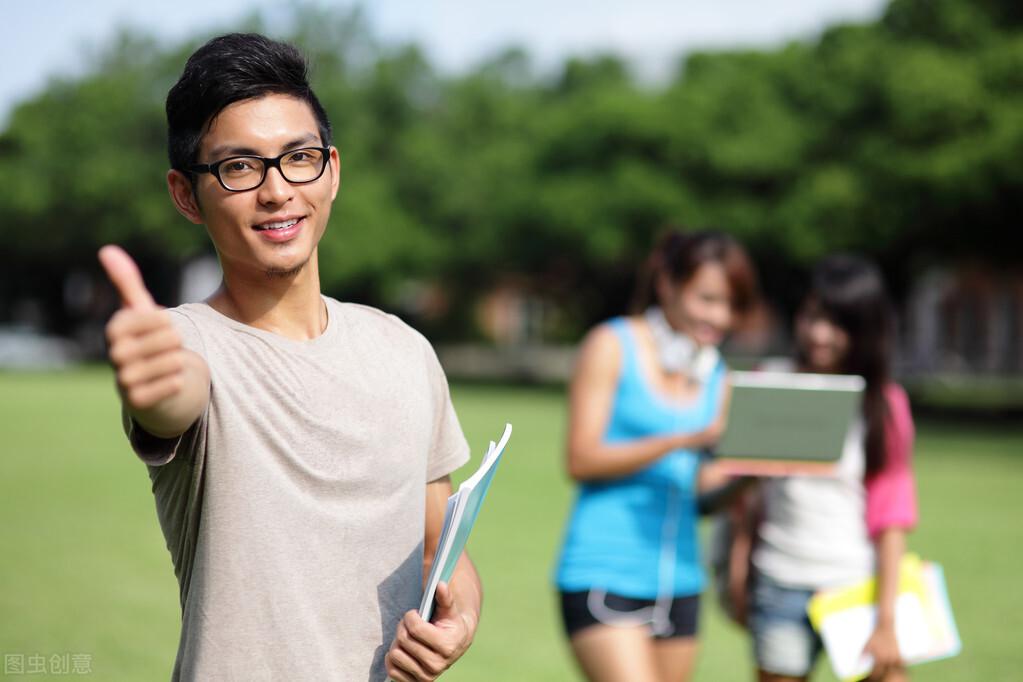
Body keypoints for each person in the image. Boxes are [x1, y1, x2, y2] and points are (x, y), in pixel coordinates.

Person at [99, 33, 480, 681]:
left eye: (297, 158)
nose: (276, 191)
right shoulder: (186, 344)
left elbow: (438, 550)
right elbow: (173, 398)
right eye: (239, 167)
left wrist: (459, 619)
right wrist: (154, 383)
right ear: (186, 194)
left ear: (331, 169)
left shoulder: (404, 349)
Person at [553, 230, 758, 682]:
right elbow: (580, 459)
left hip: (682, 582)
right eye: (707, 298)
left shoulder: (715, 373)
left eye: (731, 305)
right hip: (604, 572)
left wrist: (754, 473)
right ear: (667, 284)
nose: (719, 317)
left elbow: (705, 494)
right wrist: (682, 438)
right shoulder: (611, 344)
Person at [735, 254, 918, 682]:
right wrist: (738, 570)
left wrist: (886, 618)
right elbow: (745, 495)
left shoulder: (884, 405)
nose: (819, 334)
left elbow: (891, 517)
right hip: (780, 580)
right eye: (812, 317)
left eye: (837, 323)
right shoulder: (769, 383)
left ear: (864, 329)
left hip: (859, 586)